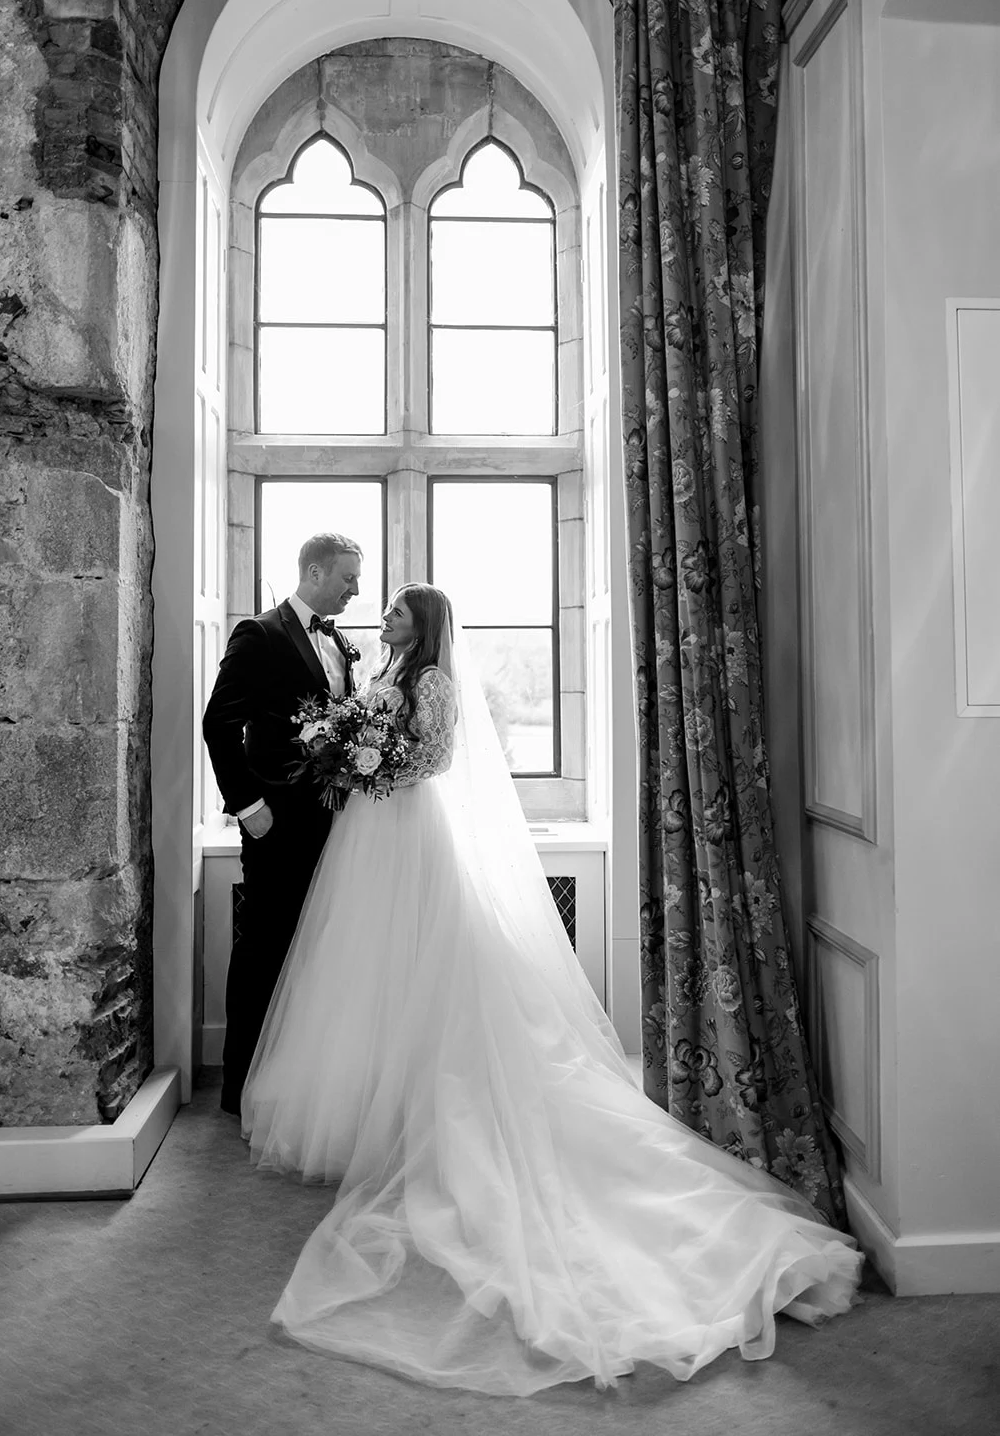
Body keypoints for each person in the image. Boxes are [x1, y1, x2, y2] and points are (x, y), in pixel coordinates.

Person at [241, 583, 862, 1395]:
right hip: (371, 832)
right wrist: (349, 751)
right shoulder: (382, 669)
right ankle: (370, 1106)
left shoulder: (432, 680)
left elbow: (436, 757)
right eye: (385, 608)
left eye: (396, 610)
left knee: (428, 959)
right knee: (363, 967)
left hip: (409, 826)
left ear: (423, 624)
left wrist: (375, 763)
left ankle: (432, 1107)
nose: (383, 616)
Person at [202, 531, 362, 1116]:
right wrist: (249, 808)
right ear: (315, 573)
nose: (355, 589)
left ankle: (299, 1079)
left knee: (317, 948)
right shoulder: (260, 633)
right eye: (347, 577)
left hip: (334, 825)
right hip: (276, 824)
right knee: (265, 946)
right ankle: (239, 1086)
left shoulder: (338, 641)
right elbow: (219, 724)